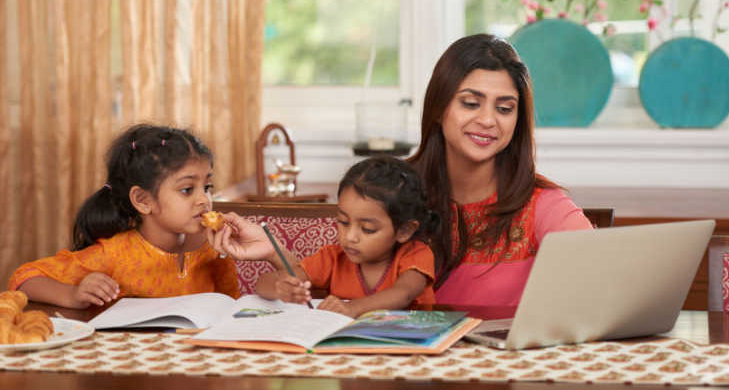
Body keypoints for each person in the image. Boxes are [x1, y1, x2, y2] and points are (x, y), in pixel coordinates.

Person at [408, 33, 593, 306]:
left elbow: (600, 279)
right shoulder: (393, 192)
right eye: (470, 103)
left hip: (511, 350)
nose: (487, 120)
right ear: (438, 108)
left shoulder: (543, 204)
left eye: (505, 109)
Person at [7, 124, 239, 308]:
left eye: (207, 187)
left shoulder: (212, 248)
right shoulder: (115, 254)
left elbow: (231, 302)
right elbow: (24, 278)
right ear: (143, 201)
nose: (204, 200)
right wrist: (73, 295)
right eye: (187, 189)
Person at [208, 156, 439, 317]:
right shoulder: (333, 258)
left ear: (404, 231)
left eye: (367, 229)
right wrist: (280, 287)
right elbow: (265, 284)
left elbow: (402, 294)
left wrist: (352, 308)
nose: (350, 237)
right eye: (343, 222)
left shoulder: (416, 254)